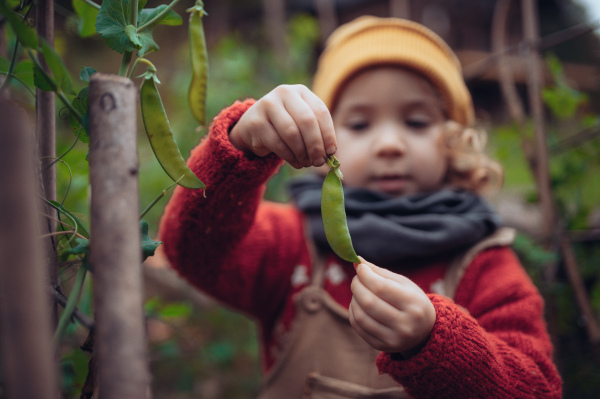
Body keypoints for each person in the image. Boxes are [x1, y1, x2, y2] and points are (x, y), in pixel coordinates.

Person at [159, 16, 562, 398]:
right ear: (322, 137)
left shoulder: (484, 265)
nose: (389, 143)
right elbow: (193, 251)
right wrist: (241, 146)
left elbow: (538, 388)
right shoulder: (292, 241)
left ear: (456, 142)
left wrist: (437, 342)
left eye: (417, 122)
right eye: (359, 124)